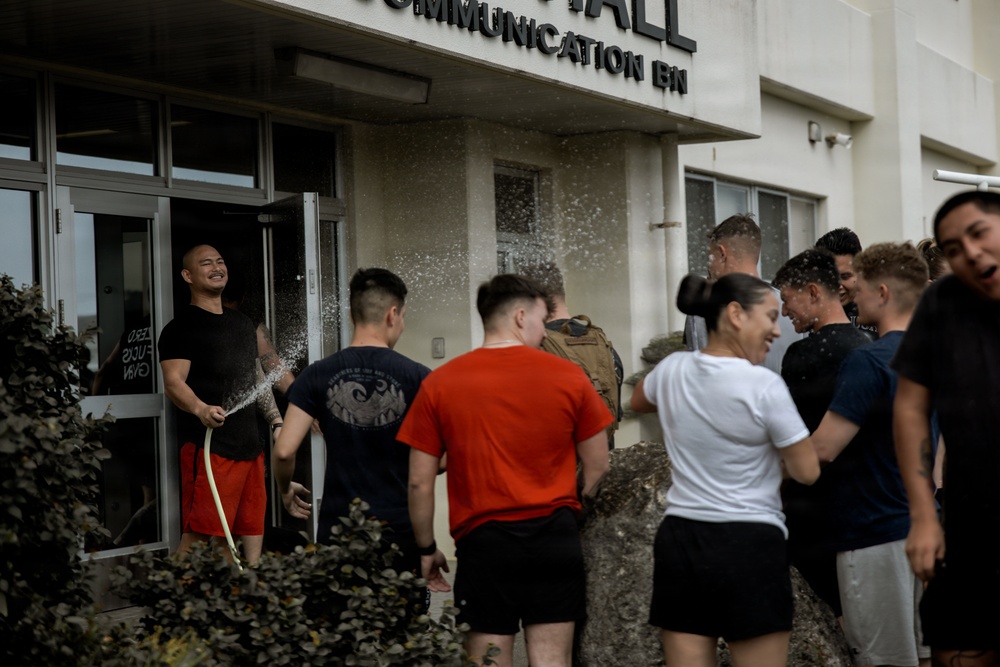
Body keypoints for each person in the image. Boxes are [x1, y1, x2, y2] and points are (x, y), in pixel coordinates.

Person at [398, 274, 611, 667]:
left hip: (485, 544)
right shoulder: (569, 377)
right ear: (519, 316)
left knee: (488, 660)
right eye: (541, 319)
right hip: (554, 539)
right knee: (551, 659)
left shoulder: (441, 383)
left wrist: (426, 548)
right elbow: (598, 467)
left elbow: (418, 480)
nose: (544, 330)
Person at [632, 273, 820, 667]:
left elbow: (638, 400)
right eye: (769, 317)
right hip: (749, 542)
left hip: (682, 538)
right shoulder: (763, 386)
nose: (775, 329)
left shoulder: (671, 371)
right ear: (735, 313)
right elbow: (807, 471)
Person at [809, 242, 931, 667]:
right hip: (924, 528)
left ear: (882, 292)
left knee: (885, 659)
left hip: (874, 533)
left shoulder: (870, 360)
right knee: (926, 654)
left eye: (857, 287)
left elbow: (823, 449)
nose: (851, 296)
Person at [893, 191, 1000, 667]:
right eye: (953, 248)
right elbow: (910, 407)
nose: (970, 252)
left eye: (979, 233)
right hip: (971, 523)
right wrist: (922, 515)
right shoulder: (943, 302)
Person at [272, 268, 430, 575]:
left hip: (339, 527)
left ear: (351, 314)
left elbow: (283, 450)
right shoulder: (419, 377)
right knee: (401, 620)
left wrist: (284, 490)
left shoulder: (317, 373)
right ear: (393, 314)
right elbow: (443, 457)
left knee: (342, 620)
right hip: (399, 529)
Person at [159, 244, 283, 565]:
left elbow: (256, 379)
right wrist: (201, 409)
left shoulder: (243, 325)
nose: (217, 267)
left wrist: (276, 422)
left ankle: (247, 595)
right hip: (210, 449)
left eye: (220, 261)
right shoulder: (180, 328)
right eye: (206, 263)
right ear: (188, 275)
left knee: (250, 527)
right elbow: (173, 382)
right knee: (201, 536)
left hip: (249, 446)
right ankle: (172, 602)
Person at [772, 248, 871, 617]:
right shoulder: (868, 347)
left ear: (814, 292)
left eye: (787, 299)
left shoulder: (803, 355)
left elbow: (792, 438)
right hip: (862, 504)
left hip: (811, 510)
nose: (784, 312)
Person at [684, 214, 803, 373]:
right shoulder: (791, 307)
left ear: (722, 253)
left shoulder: (703, 308)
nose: (709, 266)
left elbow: (698, 374)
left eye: (710, 257)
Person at [523, 262, 624, 448]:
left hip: (556, 471)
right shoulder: (604, 345)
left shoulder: (532, 352)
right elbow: (614, 416)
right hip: (603, 466)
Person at [814, 227, 876, 337]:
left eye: (845, 276)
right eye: (829, 277)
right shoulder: (807, 314)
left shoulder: (879, 310)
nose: (837, 285)